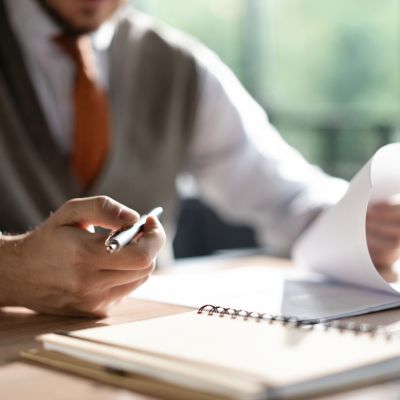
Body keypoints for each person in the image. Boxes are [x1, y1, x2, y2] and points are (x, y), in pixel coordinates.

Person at [0, 0, 398, 316]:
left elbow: (284, 195)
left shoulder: (179, 65)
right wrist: (13, 268)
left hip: (144, 351)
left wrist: (356, 225)